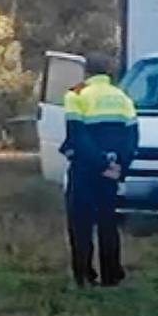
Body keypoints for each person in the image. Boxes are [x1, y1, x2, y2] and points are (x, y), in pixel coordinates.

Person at [62, 57, 139, 287]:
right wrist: (119, 167)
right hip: (111, 173)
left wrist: (99, 161)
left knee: (80, 224)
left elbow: (77, 136)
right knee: (108, 223)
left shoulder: (75, 94)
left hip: (85, 169)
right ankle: (111, 275)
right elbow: (133, 138)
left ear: (86, 73)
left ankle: (84, 275)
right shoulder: (122, 97)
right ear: (109, 73)